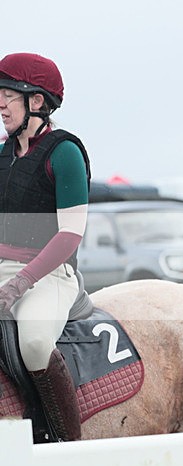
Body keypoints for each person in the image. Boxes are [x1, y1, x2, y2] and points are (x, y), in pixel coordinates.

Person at [0, 53, 90, 441]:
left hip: (47, 276)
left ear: (36, 101)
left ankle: (66, 446)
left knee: (35, 344)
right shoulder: (3, 154)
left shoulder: (64, 153)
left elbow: (70, 234)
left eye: (7, 95)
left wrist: (19, 283)